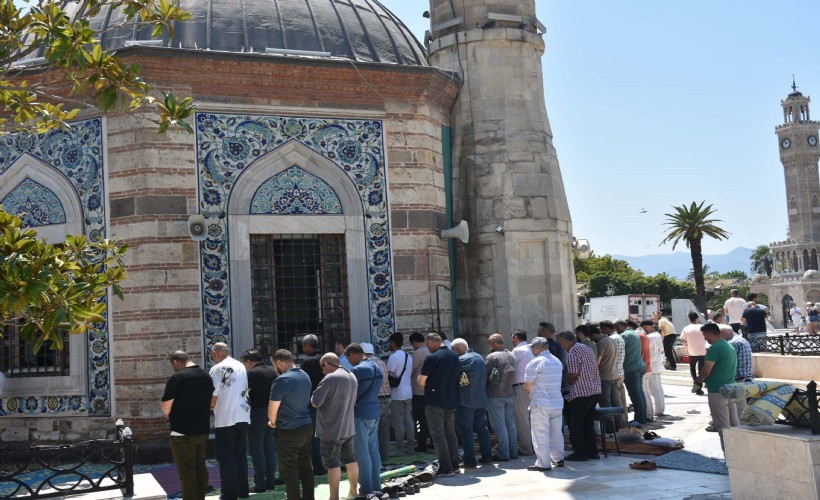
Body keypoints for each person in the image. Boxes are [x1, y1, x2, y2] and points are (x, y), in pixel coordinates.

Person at [161, 350, 214, 500]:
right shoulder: (206, 375)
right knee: (200, 467)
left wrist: (168, 415)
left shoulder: (177, 377)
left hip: (182, 432)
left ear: (176, 362)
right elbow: (211, 401)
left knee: (187, 471)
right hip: (202, 429)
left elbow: (166, 406)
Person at [311, 353, 359, 500]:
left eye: (322, 367)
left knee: (332, 464)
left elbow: (315, 401)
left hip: (331, 429)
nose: (322, 370)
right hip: (348, 427)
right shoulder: (351, 375)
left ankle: (334, 497)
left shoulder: (330, 378)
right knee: (350, 460)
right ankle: (353, 493)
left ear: (327, 364)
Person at [269, 349, 314, 500]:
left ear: (279, 362)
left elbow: (272, 409)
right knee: (306, 468)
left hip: (289, 430)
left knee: (289, 470)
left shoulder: (282, 380)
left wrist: (272, 422)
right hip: (306, 426)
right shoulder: (305, 375)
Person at [209, 342, 251, 500]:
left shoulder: (218, 368)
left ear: (217, 352)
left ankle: (229, 493)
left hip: (226, 418)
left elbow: (214, 393)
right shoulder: (240, 365)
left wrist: (210, 406)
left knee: (226, 457)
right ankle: (243, 490)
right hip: (242, 416)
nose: (213, 358)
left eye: (213, 354)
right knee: (240, 456)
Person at [418, 332, 461, 477]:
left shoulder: (432, 357)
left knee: (438, 435)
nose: (426, 347)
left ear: (431, 342)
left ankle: (445, 467)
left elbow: (422, 381)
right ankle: (455, 464)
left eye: (426, 344)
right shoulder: (454, 355)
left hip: (435, 401)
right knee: (450, 433)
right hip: (451, 399)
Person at [557, 331, 601, 461]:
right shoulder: (585, 348)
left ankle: (580, 453)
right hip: (594, 390)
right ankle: (592, 452)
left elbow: (573, 374)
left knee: (575, 425)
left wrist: (568, 382)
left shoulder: (573, 352)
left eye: (560, 342)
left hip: (581, 392)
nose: (560, 345)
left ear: (565, 340)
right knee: (587, 423)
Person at [346, 343, 383, 495]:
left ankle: (366, 488)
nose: (349, 362)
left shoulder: (357, 370)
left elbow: (349, 392)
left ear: (354, 354)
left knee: (362, 452)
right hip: (374, 411)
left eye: (348, 358)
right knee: (373, 451)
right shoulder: (377, 366)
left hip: (360, 413)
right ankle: (377, 486)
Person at [524, 337, 565, 472]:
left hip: (540, 403)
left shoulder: (535, 362)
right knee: (556, 433)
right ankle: (558, 458)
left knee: (540, 433)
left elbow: (527, 385)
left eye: (532, 348)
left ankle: (543, 463)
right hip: (557, 402)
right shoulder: (557, 361)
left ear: (537, 348)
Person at [241, 349, 279, 493]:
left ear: (249, 361)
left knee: (257, 450)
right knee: (270, 448)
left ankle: (260, 484)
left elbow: (244, 393)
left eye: (245, 363)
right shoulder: (273, 371)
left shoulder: (251, 374)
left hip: (257, 414)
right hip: (273, 413)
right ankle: (270, 481)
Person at [451, 338, 493, 468]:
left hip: (466, 401)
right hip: (480, 399)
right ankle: (487, 456)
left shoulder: (462, 360)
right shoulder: (479, 357)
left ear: (457, 350)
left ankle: (469, 459)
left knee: (466, 431)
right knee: (482, 429)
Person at [695, 323, 737, 452]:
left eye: (704, 335)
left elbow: (706, 371)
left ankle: (729, 457)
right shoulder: (729, 345)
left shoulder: (715, 348)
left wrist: (698, 381)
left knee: (722, 425)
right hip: (731, 388)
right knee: (734, 424)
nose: (704, 338)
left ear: (709, 333)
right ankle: (738, 455)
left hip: (717, 391)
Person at [485, 333, 519, 461]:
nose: (489, 346)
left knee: (499, 425)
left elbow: (485, 375)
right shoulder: (511, 355)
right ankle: (513, 451)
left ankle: (504, 454)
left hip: (495, 394)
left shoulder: (492, 357)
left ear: (493, 343)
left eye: (490, 343)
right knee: (511, 424)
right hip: (509, 392)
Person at [300, 334, 326, 475]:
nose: (303, 349)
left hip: (313, 404)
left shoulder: (308, 362)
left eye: (304, 346)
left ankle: (318, 466)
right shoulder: (326, 359)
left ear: (309, 345)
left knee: (314, 436)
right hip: (328, 402)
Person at [589, 326, 625, 431]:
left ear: (593, 335)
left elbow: (597, 362)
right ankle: (620, 425)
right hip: (614, 375)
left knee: (605, 403)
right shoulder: (611, 340)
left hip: (604, 377)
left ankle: (609, 428)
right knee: (616, 402)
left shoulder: (601, 343)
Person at [362, 342, 392, 460]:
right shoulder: (382, 362)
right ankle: (384, 454)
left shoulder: (367, 365)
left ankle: (374, 456)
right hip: (387, 398)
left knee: (372, 431)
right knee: (384, 429)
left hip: (375, 399)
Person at [387, 332, 414, 455]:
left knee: (398, 423)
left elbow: (389, 374)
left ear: (393, 343)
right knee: (408, 420)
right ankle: (410, 447)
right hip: (408, 392)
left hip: (397, 394)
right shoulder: (409, 356)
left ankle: (399, 448)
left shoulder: (393, 357)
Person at [720, 324, 753, 424]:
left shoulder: (732, 343)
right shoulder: (741, 339)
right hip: (746, 376)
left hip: (738, 377)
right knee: (741, 405)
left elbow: (728, 362)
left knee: (737, 407)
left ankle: (739, 428)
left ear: (723, 333)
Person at [616, 320, 647, 426]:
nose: (616, 330)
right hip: (640, 365)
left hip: (631, 368)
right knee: (639, 392)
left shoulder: (624, 336)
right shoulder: (634, 333)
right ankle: (643, 417)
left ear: (620, 326)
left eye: (616, 327)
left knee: (635, 394)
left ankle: (639, 419)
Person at [511, 329, 535, 456]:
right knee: (533, 419)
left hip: (521, 387)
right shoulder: (532, 349)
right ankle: (535, 447)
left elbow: (510, 368)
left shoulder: (517, 350)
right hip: (534, 386)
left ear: (516, 338)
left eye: (512, 338)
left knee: (522, 419)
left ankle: (526, 448)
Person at [600, 320, 628, 426]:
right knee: (619, 400)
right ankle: (622, 422)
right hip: (619, 371)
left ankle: (615, 425)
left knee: (612, 401)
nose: (602, 332)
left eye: (602, 329)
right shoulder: (619, 337)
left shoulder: (611, 339)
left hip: (612, 372)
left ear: (606, 328)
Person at [409, 331, 432, 452]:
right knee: (432, 418)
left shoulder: (417, 353)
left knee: (419, 419)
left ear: (414, 342)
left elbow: (412, 370)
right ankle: (433, 441)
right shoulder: (432, 350)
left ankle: (421, 443)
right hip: (431, 391)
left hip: (418, 391)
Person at [640, 320, 665, 419]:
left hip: (653, 365)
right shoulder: (657, 335)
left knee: (654, 390)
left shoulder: (650, 337)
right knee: (658, 388)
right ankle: (660, 409)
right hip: (657, 364)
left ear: (646, 326)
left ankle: (659, 410)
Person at [680, 312, 708, 395]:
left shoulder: (686, 328)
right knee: (701, 370)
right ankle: (699, 386)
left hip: (692, 352)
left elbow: (683, 340)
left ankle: (695, 382)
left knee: (692, 369)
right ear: (697, 318)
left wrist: (687, 349)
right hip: (703, 351)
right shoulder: (702, 327)